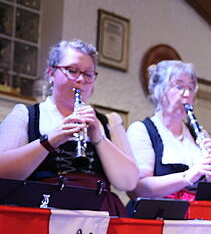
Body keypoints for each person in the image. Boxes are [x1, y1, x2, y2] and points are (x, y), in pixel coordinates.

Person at [0, 39, 138, 215]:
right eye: (72, 71)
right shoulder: (27, 114)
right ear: (51, 73)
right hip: (43, 211)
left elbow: (128, 183)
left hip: (99, 214)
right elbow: (3, 173)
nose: (81, 80)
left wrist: (99, 138)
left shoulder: (109, 122)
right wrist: (49, 141)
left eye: (88, 74)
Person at [126, 60, 211, 201]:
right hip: (157, 212)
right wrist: (188, 176)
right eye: (179, 86)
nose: (186, 94)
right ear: (159, 91)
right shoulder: (141, 130)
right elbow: (138, 189)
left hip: (196, 213)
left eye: (191, 88)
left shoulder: (200, 134)